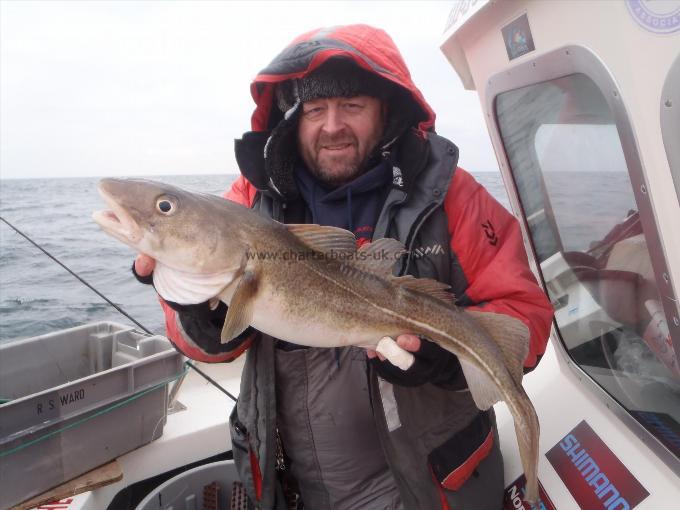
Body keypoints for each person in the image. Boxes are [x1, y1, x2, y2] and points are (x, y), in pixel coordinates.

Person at [134, 24, 553, 510]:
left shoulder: (453, 196)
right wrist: (195, 309)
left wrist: (447, 363)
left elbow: (527, 315)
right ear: (294, 117)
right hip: (294, 487)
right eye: (315, 109)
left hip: (425, 487)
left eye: (352, 106)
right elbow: (203, 347)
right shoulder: (250, 204)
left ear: (386, 111)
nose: (332, 125)